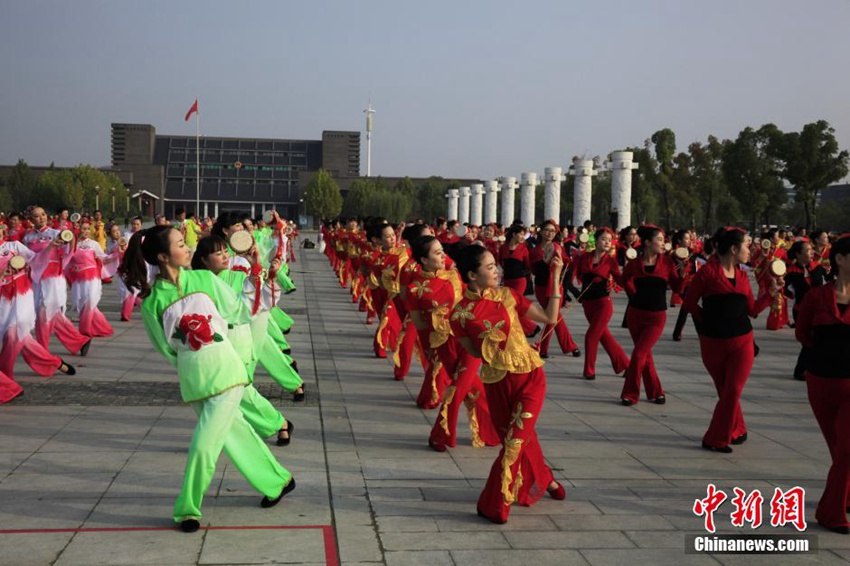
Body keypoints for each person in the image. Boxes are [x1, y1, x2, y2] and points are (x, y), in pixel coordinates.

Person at [122, 225, 295, 533]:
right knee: (234, 435)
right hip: (194, 380)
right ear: (163, 256)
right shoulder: (151, 303)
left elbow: (239, 311)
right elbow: (167, 350)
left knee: (203, 445)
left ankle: (187, 508)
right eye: (180, 244)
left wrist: (261, 275)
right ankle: (278, 481)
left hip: (226, 373)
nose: (188, 247)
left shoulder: (203, 280)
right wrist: (194, 360)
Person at [450, 245, 566, 524]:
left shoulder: (508, 295)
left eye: (495, 265)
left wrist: (556, 275)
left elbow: (550, 317)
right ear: (471, 275)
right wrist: (493, 340)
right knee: (523, 438)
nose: (496, 271)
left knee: (515, 442)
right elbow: (476, 353)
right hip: (497, 382)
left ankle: (494, 504)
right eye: (489, 268)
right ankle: (545, 477)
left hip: (530, 376)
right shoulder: (459, 315)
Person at [191, 234, 298, 446]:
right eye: (217, 253)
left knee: (237, 392)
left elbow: (261, 299)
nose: (224, 256)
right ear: (203, 259)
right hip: (209, 346)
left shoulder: (238, 276)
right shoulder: (195, 280)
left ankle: (275, 424)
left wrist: (257, 266)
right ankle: (276, 424)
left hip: (236, 341)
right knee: (229, 394)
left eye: (225, 252)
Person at [683, 227, 779, 453]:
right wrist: (708, 321)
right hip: (713, 342)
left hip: (742, 341)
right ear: (734, 249)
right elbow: (688, 303)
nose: (750, 249)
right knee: (725, 391)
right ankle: (739, 429)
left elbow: (753, 310)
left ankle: (715, 439)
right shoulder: (707, 273)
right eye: (747, 245)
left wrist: (771, 294)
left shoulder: (744, 276)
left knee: (733, 390)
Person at [406, 235, 499, 451]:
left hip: (468, 338)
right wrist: (430, 353)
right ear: (424, 260)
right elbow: (420, 325)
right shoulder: (414, 289)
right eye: (437, 253)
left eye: (442, 251)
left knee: (457, 389)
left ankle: (440, 434)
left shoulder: (453, 274)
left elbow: (470, 264)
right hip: (442, 344)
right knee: (473, 388)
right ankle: (491, 431)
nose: (443, 256)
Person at [795, 234, 850, 534]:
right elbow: (803, 335)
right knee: (837, 447)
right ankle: (844, 495)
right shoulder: (817, 297)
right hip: (820, 382)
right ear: (840, 260)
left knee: (846, 451)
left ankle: (831, 513)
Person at [619, 225, 685, 405]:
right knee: (645, 355)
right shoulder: (634, 264)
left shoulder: (667, 263)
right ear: (648, 242)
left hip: (656, 317)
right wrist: (633, 294)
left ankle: (630, 393)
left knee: (639, 354)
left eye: (664, 240)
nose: (663, 243)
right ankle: (656, 392)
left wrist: (682, 273)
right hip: (635, 314)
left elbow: (678, 288)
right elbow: (623, 281)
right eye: (660, 240)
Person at [23, 206, 91, 356]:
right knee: (51, 315)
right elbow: (27, 259)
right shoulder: (28, 238)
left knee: (43, 314)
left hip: (52, 279)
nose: (41, 218)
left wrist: (71, 237)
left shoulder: (56, 234)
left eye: (43, 214)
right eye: (36, 216)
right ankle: (79, 340)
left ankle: (42, 351)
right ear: (31, 220)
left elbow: (70, 249)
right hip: (36, 279)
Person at [570, 228, 630, 380]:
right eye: (604, 239)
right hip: (588, 304)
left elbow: (621, 281)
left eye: (609, 240)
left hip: (603, 304)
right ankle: (625, 365)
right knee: (604, 336)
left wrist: (630, 270)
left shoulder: (610, 261)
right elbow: (575, 273)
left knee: (591, 336)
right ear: (596, 240)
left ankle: (589, 371)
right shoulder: (584, 257)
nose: (607, 242)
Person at [528, 220, 580, 359]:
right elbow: (533, 270)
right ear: (541, 232)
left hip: (556, 286)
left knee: (552, 317)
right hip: (540, 287)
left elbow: (567, 264)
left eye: (552, 231)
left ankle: (545, 348)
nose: (549, 233)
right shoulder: (534, 250)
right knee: (553, 316)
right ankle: (568, 346)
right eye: (547, 230)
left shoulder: (557, 247)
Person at [785, 239, 828, 380]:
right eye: (808, 250)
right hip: (801, 310)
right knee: (808, 341)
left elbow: (830, 280)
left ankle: (807, 369)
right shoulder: (791, 272)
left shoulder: (817, 267)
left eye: (811, 250)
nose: (812, 253)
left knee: (817, 339)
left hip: (819, 309)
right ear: (798, 254)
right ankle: (801, 370)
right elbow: (786, 290)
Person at [498, 224, 539, 338]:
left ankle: (531, 327)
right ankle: (528, 328)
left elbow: (528, 265)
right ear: (514, 234)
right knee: (509, 306)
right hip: (507, 280)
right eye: (520, 234)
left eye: (523, 234)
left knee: (513, 305)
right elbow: (500, 261)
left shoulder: (523, 248)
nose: (522, 236)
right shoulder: (503, 247)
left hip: (519, 280)